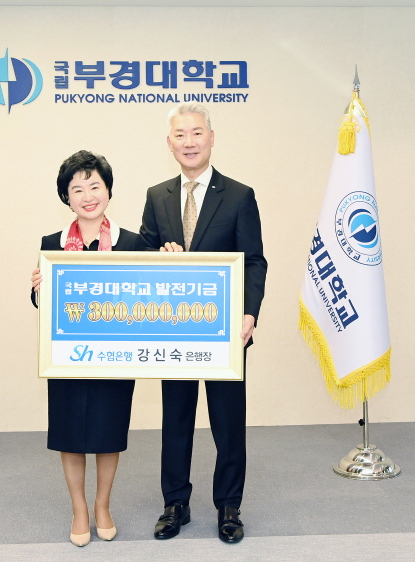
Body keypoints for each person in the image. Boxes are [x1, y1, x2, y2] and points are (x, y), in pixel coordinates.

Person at [139, 103, 268, 544]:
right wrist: (158, 255)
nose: (189, 142)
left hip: (226, 331)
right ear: (169, 142)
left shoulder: (239, 195)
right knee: (175, 419)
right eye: (180, 135)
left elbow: (254, 260)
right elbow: (143, 254)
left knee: (228, 423)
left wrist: (249, 312)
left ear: (211, 138)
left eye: (197, 133)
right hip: (175, 331)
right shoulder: (157, 195)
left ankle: (229, 506)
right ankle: (175, 503)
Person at [31, 150, 145, 547]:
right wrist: (39, 290)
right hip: (67, 357)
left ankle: (102, 505)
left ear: (108, 190)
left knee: (108, 433)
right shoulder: (53, 244)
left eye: (95, 186)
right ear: (67, 197)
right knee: (70, 434)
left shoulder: (133, 243)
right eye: (77, 189)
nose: (87, 196)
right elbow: (43, 306)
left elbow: (147, 300)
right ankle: (79, 508)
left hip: (115, 357)